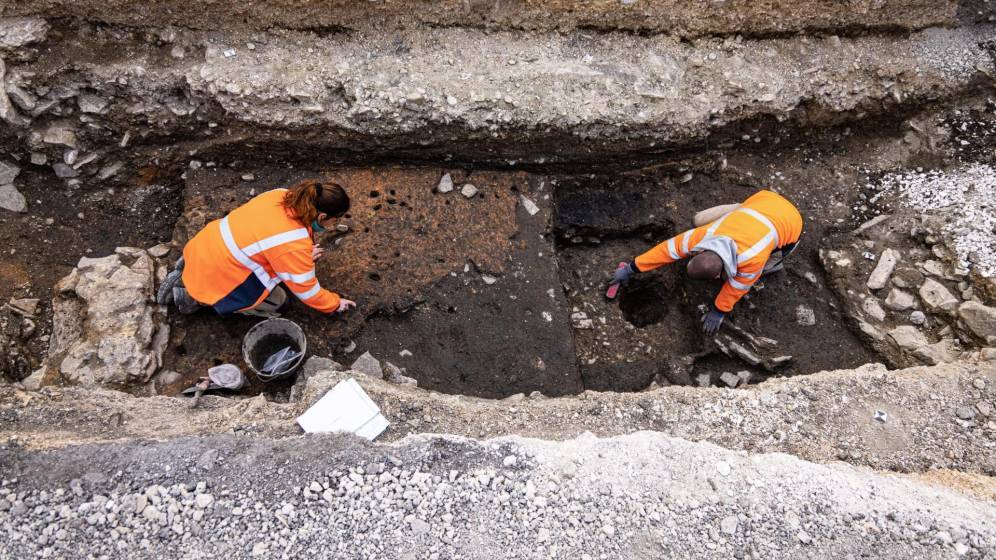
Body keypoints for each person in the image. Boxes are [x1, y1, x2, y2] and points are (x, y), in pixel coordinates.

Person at [609, 189, 803, 335]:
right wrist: (632, 268)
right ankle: (739, 209)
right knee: (698, 219)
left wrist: (719, 310)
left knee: (765, 268)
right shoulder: (702, 236)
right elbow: (666, 250)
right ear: (703, 249)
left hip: (790, 225)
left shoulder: (753, 259)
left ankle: (776, 261)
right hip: (760, 202)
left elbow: (738, 286)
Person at [157, 180, 356, 318]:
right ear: (322, 217)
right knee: (279, 302)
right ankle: (191, 298)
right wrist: (335, 304)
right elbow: (307, 291)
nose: (334, 224)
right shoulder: (292, 244)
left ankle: (187, 271)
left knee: (229, 261)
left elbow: (263, 239)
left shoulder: (280, 195)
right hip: (220, 276)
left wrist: (301, 256)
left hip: (203, 247)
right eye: (334, 220)